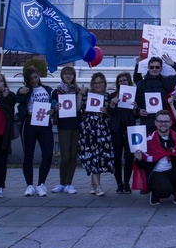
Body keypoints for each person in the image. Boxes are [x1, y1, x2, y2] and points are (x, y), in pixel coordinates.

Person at [133, 110, 176, 206]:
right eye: (160, 121)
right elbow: (142, 166)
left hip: (171, 171)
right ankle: (155, 192)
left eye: (166, 121)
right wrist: (139, 159)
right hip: (155, 174)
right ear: (155, 123)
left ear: (171, 123)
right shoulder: (148, 140)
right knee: (165, 191)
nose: (163, 124)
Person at [16, 66, 56, 197]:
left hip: (44, 123)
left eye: (35, 77)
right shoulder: (25, 90)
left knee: (48, 153)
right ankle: (29, 185)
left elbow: (54, 104)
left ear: (39, 76)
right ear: (26, 79)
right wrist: (21, 93)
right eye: (30, 78)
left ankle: (41, 184)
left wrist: (53, 110)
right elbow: (19, 101)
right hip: (30, 122)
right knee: (28, 154)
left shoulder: (47, 89)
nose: (33, 80)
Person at [77, 72, 114, 197]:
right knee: (92, 157)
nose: (98, 85)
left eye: (100, 82)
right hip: (89, 129)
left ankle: (93, 184)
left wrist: (107, 110)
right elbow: (78, 109)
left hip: (103, 130)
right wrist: (79, 94)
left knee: (99, 157)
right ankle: (98, 186)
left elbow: (111, 114)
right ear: (92, 84)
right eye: (95, 83)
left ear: (104, 83)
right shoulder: (87, 95)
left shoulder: (108, 97)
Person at [135, 54, 176, 133]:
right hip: (147, 121)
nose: (154, 69)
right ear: (148, 68)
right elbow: (136, 101)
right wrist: (139, 110)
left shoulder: (166, 82)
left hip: (163, 122)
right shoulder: (141, 84)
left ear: (161, 68)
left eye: (157, 67)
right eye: (152, 67)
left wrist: (173, 64)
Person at [51, 66, 81, 194]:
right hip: (63, 126)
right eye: (66, 74)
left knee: (73, 155)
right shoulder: (56, 91)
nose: (68, 76)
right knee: (65, 156)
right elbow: (52, 106)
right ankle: (62, 182)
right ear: (62, 75)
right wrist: (55, 107)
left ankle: (69, 183)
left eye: (71, 74)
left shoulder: (77, 90)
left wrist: (80, 94)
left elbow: (80, 107)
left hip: (76, 125)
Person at [107, 72, 137, 194]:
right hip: (117, 129)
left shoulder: (134, 95)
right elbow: (109, 112)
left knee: (129, 157)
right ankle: (119, 183)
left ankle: (126, 182)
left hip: (129, 128)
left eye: (125, 80)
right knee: (116, 157)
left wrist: (136, 108)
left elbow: (137, 115)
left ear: (129, 82)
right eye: (120, 81)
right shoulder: (113, 95)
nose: (123, 82)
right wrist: (112, 103)